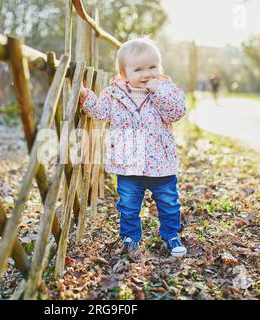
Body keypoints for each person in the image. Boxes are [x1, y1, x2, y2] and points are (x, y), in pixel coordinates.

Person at [78, 37, 187, 258]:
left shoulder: (166, 89)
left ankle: (171, 234)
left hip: (161, 164)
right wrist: (85, 96)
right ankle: (130, 236)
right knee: (128, 204)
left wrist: (159, 92)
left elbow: (176, 113)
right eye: (138, 69)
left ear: (160, 67)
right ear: (123, 74)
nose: (147, 74)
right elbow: (100, 111)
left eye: (152, 67)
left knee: (168, 203)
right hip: (128, 164)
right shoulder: (115, 94)